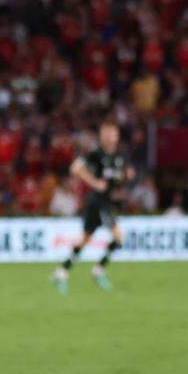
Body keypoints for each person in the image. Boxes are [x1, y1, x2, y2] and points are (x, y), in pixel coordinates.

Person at [53, 121, 134, 293]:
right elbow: (76, 168)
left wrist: (127, 176)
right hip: (98, 201)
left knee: (84, 240)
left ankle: (61, 272)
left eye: (113, 133)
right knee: (119, 236)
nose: (110, 136)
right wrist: (94, 182)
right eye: (107, 133)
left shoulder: (120, 157)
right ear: (102, 135)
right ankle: (98, 270)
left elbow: (126, 174)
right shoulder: (96, 154)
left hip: (108, 202)